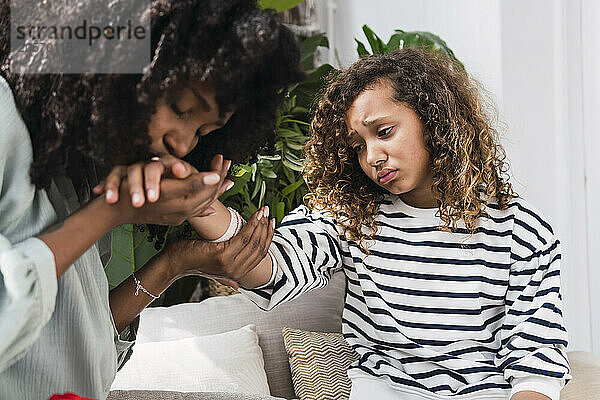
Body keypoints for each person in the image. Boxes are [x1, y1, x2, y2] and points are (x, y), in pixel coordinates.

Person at [185, 49, 571, 399]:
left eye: (384, 132)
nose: (372, 156)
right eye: (358, 145)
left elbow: (535, 360)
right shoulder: (352, 216)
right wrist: (203, 208)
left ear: (433, 120)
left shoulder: (522, 231)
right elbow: (272, 264)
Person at [0, 0, 300, 398]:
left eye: (204, 130)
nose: (182, 142)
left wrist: (176, 263)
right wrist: (109, 212)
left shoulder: (77, 166)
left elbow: (75, 335)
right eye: (180, 107)